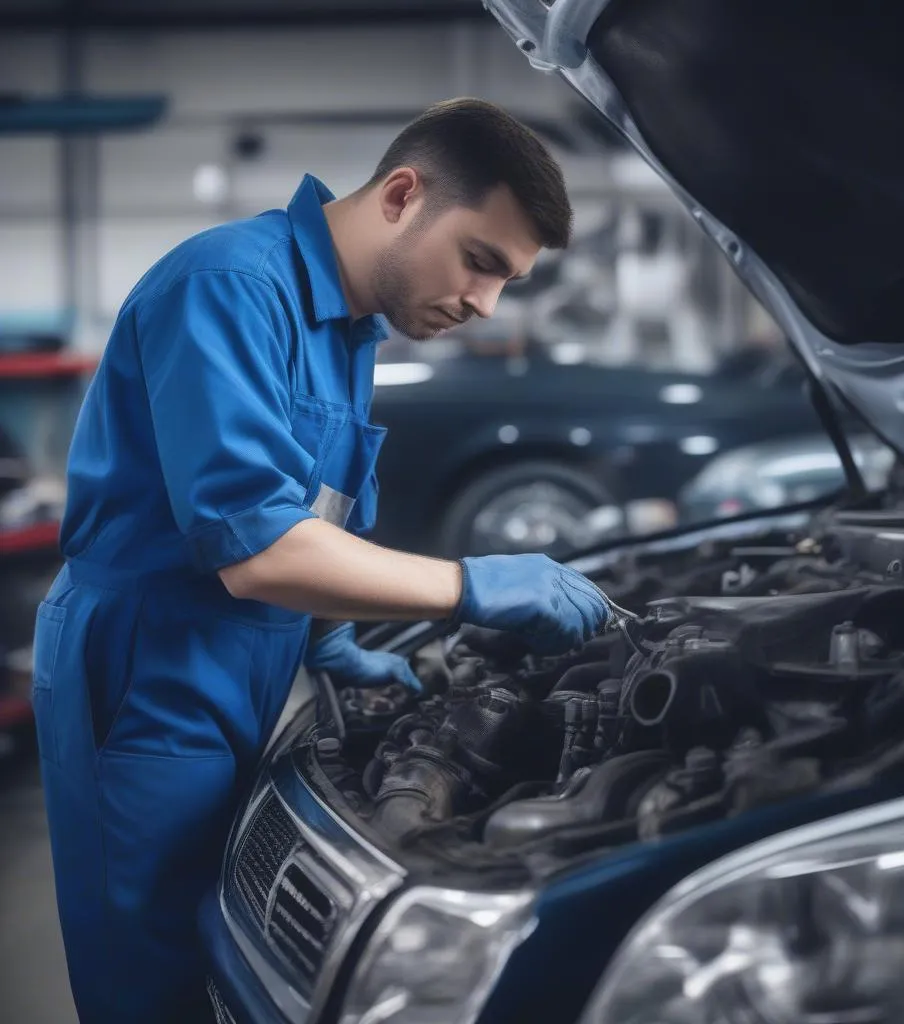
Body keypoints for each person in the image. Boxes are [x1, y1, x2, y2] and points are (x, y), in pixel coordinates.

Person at [32, 98, 611, 1024]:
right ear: (402, 195)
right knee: (148, 973)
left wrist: (330, 639)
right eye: (480, 261)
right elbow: (256, 548)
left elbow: (314, 508)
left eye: (508, 281)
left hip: (248, 656)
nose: (485, 304)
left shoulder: (347, 327)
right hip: (150, 663)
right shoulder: (228, 286)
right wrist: (468, 587)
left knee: (230, 944)